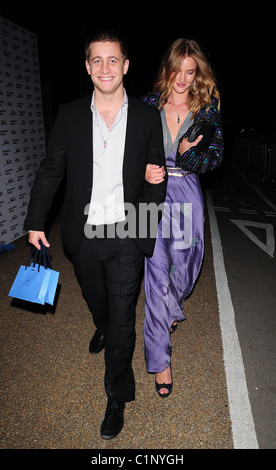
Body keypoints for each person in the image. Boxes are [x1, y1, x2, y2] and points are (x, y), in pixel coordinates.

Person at [24, 30, 167, 439]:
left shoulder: (144, 116)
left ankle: (117, 394)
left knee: (124, 318)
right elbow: (52, 169)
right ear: (88, 66)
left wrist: (147, 220)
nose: (106, 68)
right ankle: (99, 322)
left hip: (127, 230)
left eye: (113, 60)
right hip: (83, 231)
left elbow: (156, 175)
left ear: (126, 65)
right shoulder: (69, 113)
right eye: (97, 60)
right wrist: (36, 221)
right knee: (97, 297)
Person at [142, 38, 224, 397]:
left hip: (188, 193)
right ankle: (161, 361)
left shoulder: (207, 108)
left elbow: (216, 156)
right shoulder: (148, 104)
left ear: (197, 74)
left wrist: (190, 154)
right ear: (168, 68)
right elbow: (131, 151)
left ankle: (172, 308)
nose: (182, 79)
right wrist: (142, 171)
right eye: (177, 70)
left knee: (186, 269)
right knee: (155, 272)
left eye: (190, 72)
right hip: (152, 196)